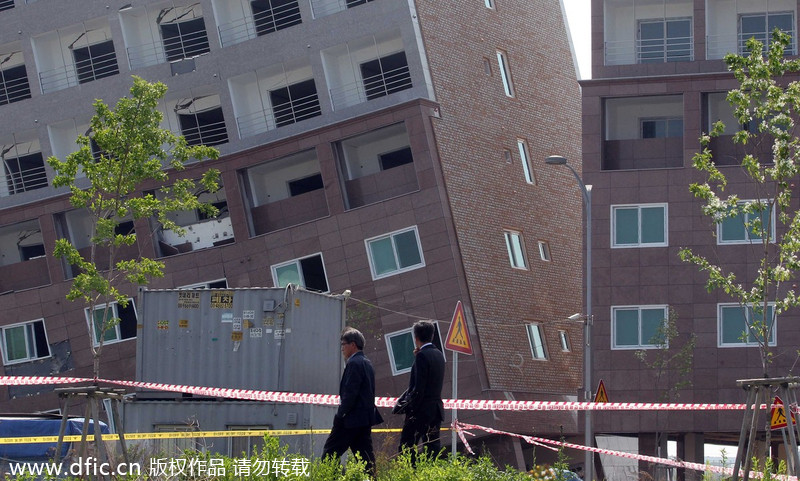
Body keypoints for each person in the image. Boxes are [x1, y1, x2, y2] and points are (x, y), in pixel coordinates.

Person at [322, 327, 383, 478]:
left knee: (329, 454)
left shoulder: (354, 363)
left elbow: (350, 394)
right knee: (365, 459)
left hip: (350, 419)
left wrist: (340, 415)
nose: (342, 348)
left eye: (343, 344)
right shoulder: (367, 363)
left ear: (353, 344)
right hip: (364, 419)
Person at [398, 320, 445, 462]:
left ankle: (411, 473)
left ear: (416, 338)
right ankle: (431, 473)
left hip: (421, 411)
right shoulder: (438, 355)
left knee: (406, 445)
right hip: (436, 409)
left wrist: (409, 408)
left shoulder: (422, 356)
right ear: (432, 336)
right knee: (432, 446)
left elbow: (418, 388)